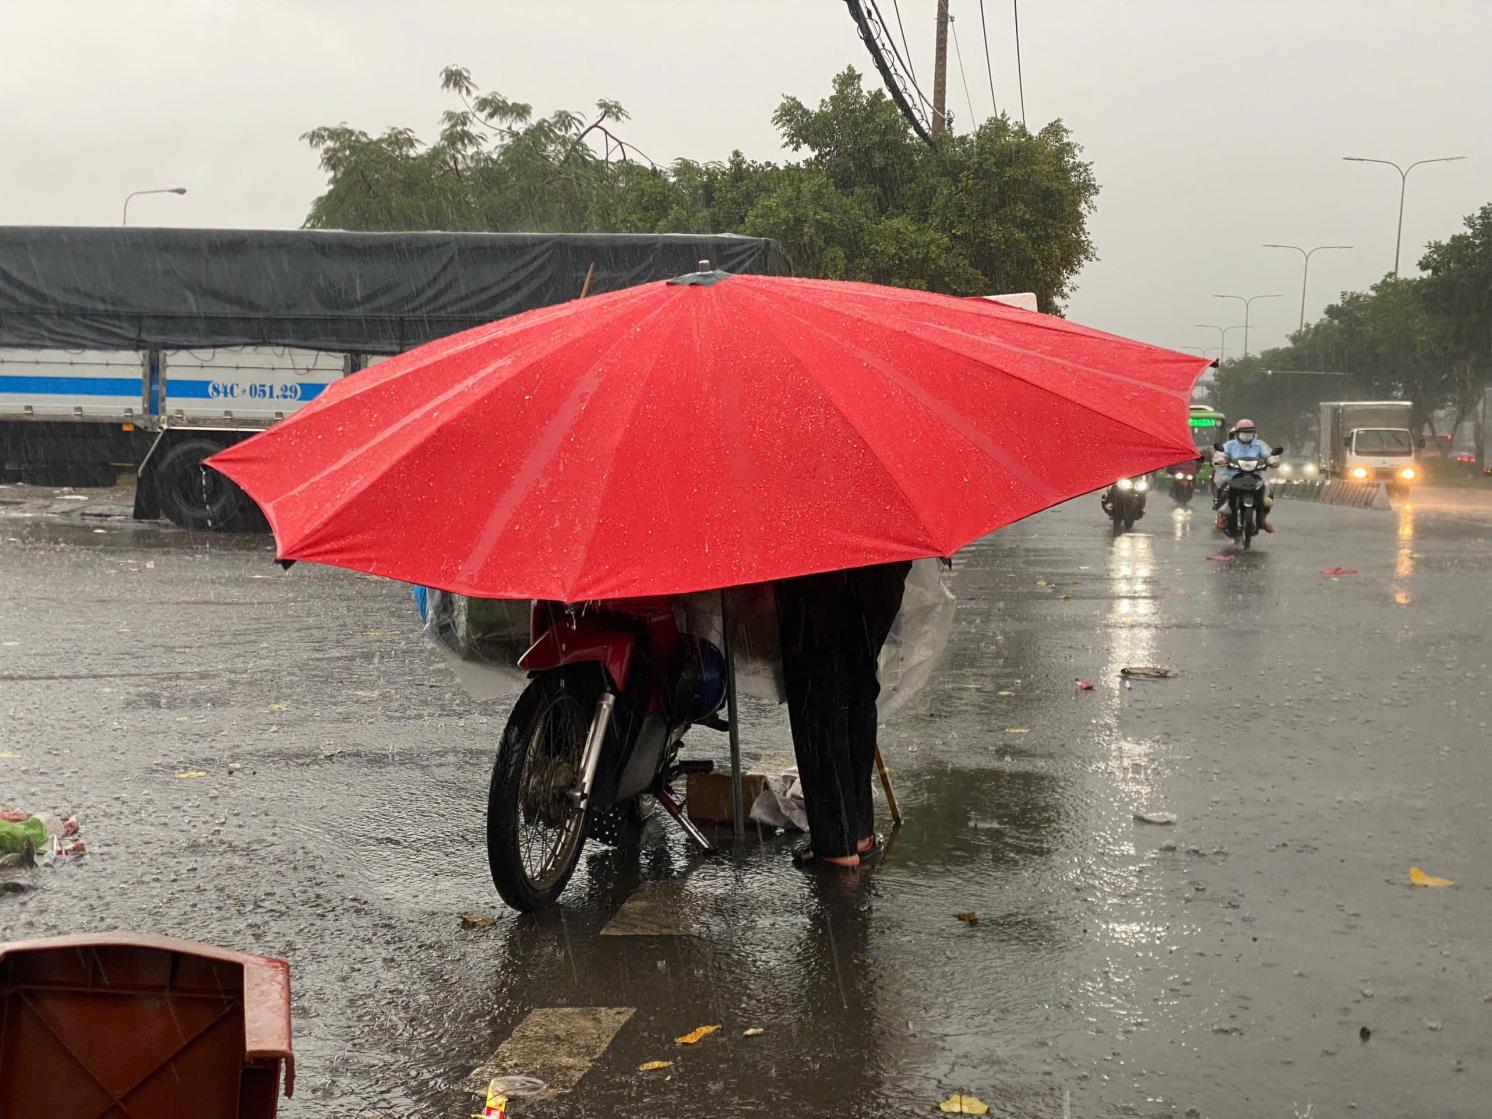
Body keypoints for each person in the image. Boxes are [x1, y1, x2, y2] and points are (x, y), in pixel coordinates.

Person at [775, 561, 912, 868]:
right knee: (858, 682)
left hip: (819, 571)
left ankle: (837, 845)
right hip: (879, 563)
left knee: (819, 696)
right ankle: (859, 831)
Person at [1212, 418, 1275, 533]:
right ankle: (1222, 516)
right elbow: (1220, 454)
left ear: (1254, 433)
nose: (1246, 436)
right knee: (1225, 491)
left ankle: (1262, 519)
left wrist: (1272, 460)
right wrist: (1221, 459)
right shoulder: (1230, 445)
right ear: (1237, 433)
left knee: (1268, 494)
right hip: (1233, 476)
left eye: (1249, 433)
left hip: (1255, 476)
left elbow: (1268, 454)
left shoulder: (1259, 445)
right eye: (1244, 433)